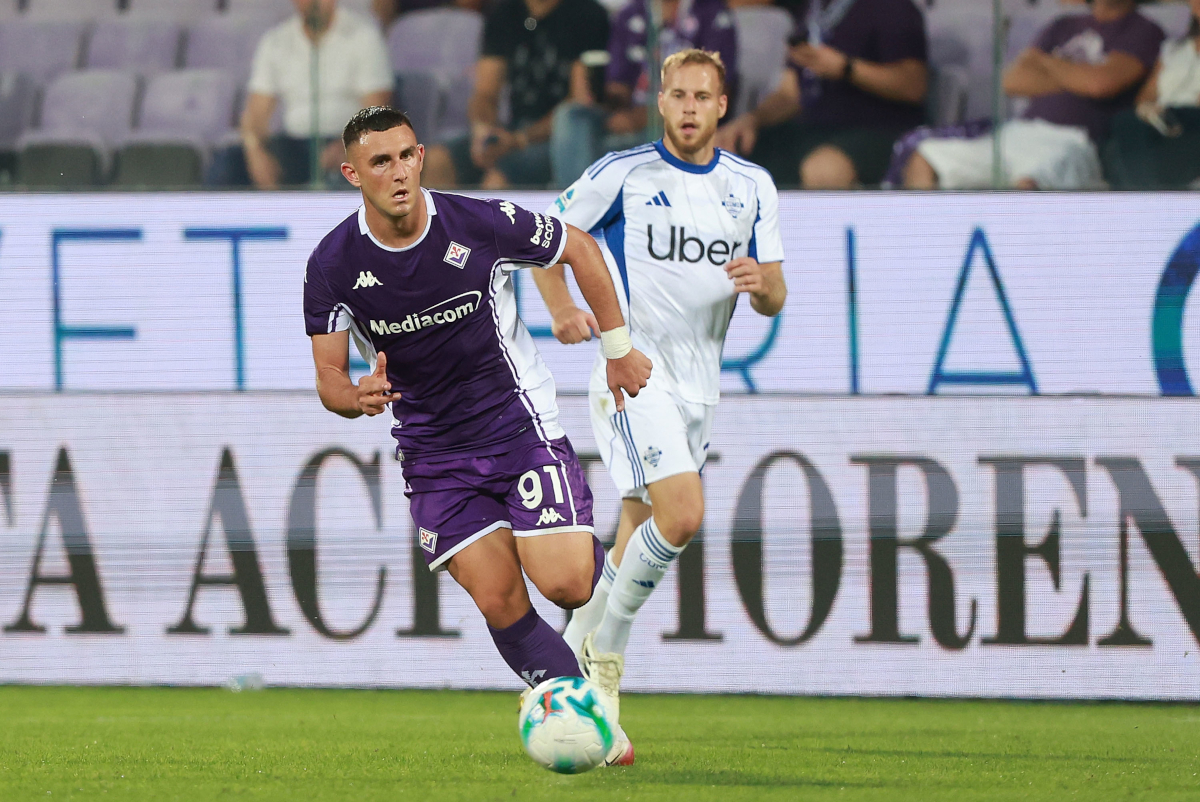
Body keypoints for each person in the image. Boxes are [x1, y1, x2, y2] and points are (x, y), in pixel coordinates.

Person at [304, 106, 651, 764]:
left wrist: (617, 346)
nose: (399, 172)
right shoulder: (333, 264)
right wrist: (354, 397)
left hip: (517, 425)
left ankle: (591, 614)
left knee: (570, 585)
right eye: (381, 162)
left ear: (422, 155)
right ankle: (585, 717)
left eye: (408, 156)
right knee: (498, 599)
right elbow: (327, 377)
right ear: (352, 173)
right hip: (434, 453)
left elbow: (576, 245)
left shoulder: (478, 223)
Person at [533, 50, 786, 714]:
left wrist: (763, 288)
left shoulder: (752, 184)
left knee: (639, 525)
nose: (689, 108)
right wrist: (562, 307)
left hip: (701, 387)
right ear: (662, 102)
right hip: (634, 375)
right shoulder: (623, 172)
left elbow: (776, 292)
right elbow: (545, 242)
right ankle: (607, 657)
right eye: (677, 96)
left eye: (702, 97)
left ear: (722, 106)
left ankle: (581, 637)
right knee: (684, 512)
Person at [904, 0, 1164, 190]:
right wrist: (1079, 78)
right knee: (926, 156)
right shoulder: (1063, 25)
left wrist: (1047, 63)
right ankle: (932, 251)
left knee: (1030, 184)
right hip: (1020, 131)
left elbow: (1100, 84)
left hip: (1075, 141)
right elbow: (1013, 81)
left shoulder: (1143, 30)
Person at [715, 0, 928, 188]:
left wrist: (846, 69)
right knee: (725, 154)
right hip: (814, 128)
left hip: (880, 130)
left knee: (823, 168)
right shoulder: (814, 9)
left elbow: (913, 85)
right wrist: (751, 120)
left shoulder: (893, 6)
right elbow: (792, 91)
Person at [421, 0, 611, 189]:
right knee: (437, 161)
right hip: (514, 130)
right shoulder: (505, 13)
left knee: (498, 179)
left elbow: (580, 102)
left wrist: (521, 139)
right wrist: (483, 128)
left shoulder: (588, 13)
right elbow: (485, 92)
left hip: (561, 138)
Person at [549, 0, 739, 188]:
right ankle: (574, 208)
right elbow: (618, 86)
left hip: (679, 128)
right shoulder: (630, 14)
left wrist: (643, 117)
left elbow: (715, 93)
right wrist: (604, 98)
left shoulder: (713, 13)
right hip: (631, 121)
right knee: (571, 116)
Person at [230, 0, 393, 189]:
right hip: (293, 145)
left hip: (346, 141)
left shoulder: (363, 36)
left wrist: (348, 145)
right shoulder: (276, 41)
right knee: (229, 163)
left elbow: (376, 110)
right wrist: (255, 151)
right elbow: (256, 113)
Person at [1105, 0, 1200, 189]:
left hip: (1193, 124)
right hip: (1161, 122)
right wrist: (1148, 109)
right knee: (1124, 123)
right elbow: (1146, 95)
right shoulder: (1174, 49)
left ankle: (1146, 197)